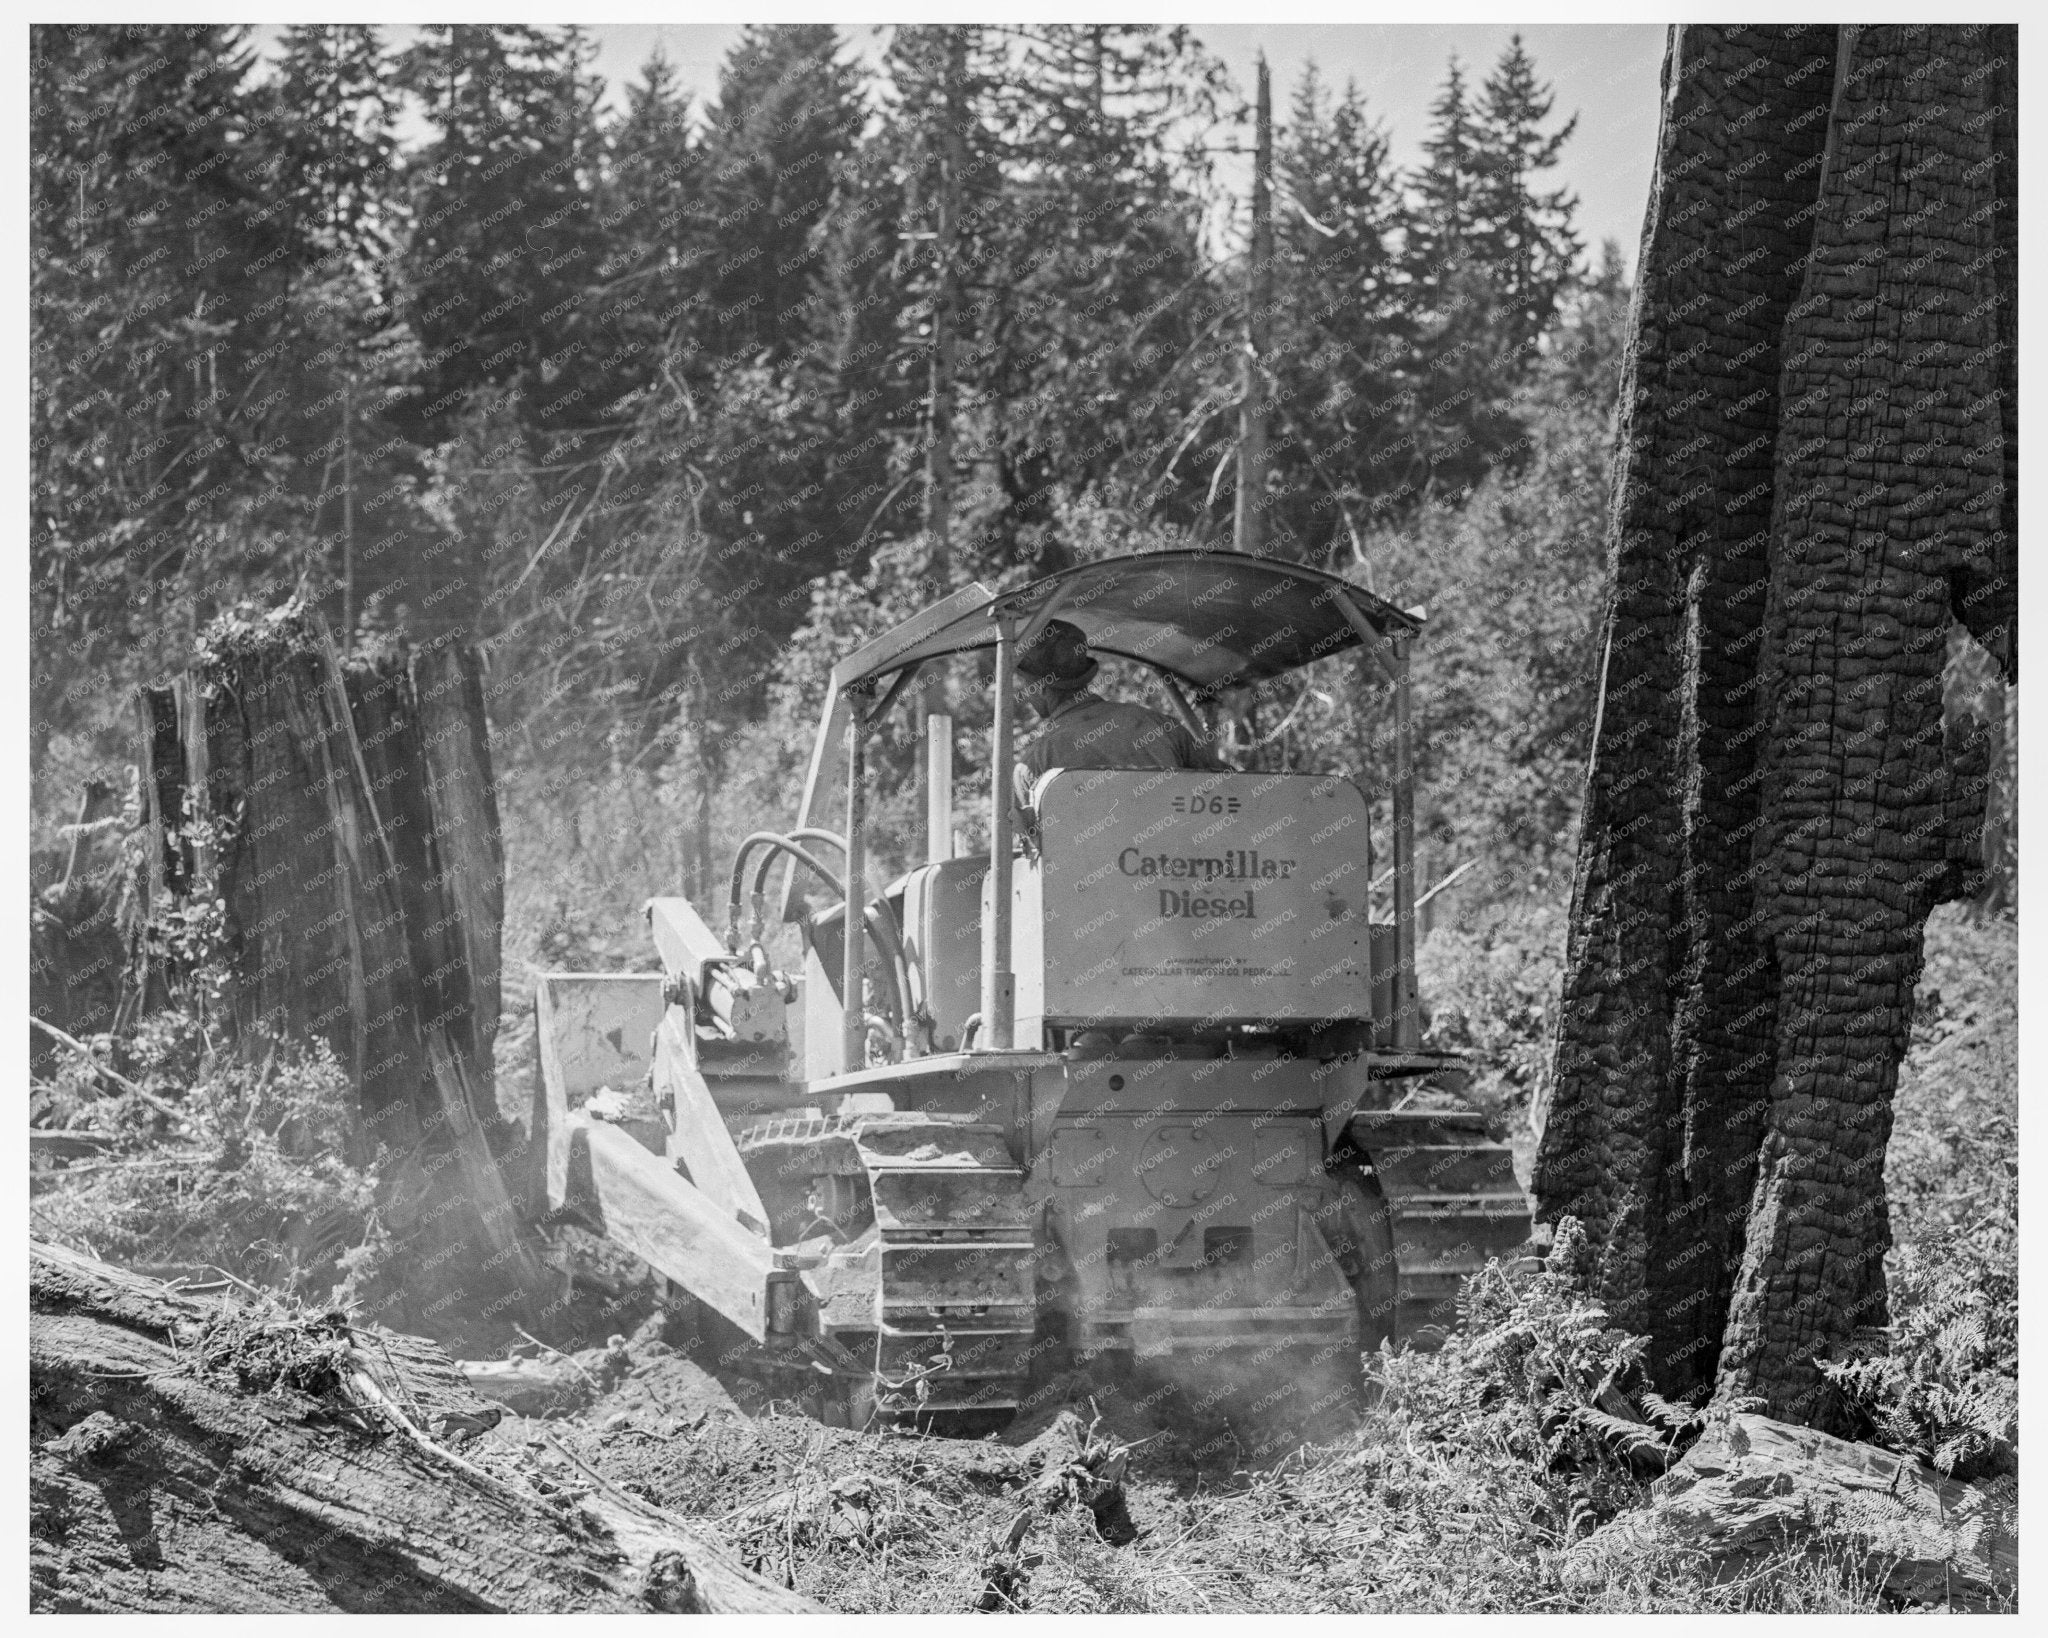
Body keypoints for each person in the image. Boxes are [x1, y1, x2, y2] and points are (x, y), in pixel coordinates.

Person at [1011, 619, 1220, 807]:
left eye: (1023, 683)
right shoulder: (1160, 725)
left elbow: (1032, 843)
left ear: (1038, 688)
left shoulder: (1035, 762)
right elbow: (1225, 788)